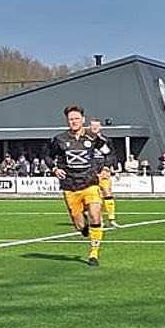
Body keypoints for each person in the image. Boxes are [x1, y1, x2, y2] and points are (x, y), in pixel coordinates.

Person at [48, 104, 106, 266]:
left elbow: (109, 152)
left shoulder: (93, 138)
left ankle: (94, 254)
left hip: (90, 183)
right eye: (70, 119)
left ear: (83, 120)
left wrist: (106, 167)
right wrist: (54, 168)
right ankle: (84, 227)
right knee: (79, 223)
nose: (73, 121)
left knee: (96, 214)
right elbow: (47, 156)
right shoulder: (60, 139)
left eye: (76, 118)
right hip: (70, 185)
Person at [85, 118, 119, 228]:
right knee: (93, 197)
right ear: (89, 127)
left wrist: (108, 168)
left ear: (100, 127)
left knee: (107, 192)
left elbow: (111, 154)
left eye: (97, 126)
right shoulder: (84, 140)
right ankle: (97, 219)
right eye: (93, 126)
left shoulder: (106, 140)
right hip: (90, 172)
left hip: (103, 171)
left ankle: (111, 219)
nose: (94, 128)